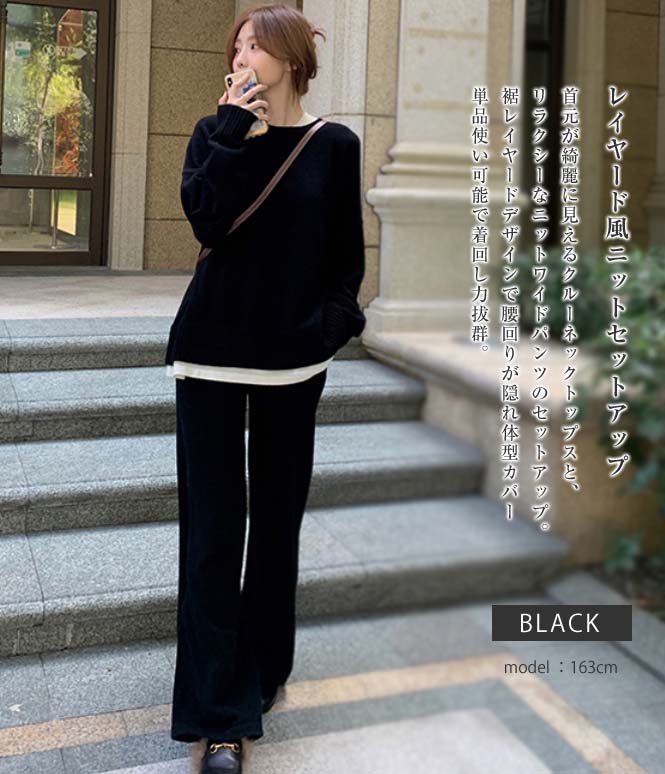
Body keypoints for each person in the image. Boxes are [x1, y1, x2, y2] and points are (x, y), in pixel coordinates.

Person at [164, 4, 366, 773]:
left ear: (290, 57)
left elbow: (345, 259)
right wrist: (229, 131)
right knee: (214, 537)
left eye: (256, 43)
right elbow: (205, 222)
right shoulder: (213, 133)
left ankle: (263, 666)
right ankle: (220, 719)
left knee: (278, 526)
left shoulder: (334, 145)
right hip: (210, 359)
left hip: (293, 366)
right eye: (238, 44)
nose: (242, 53)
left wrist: (327, 330)